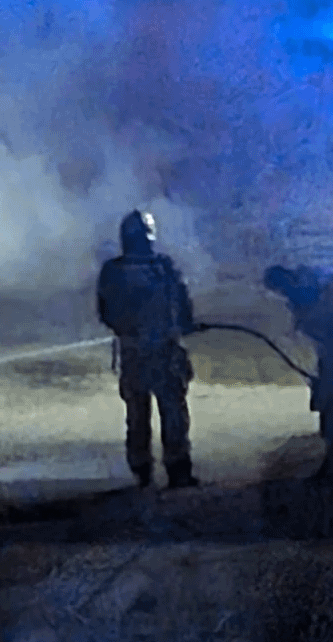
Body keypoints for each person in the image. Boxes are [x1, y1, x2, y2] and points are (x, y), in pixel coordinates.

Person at [97, 209, 200, 489]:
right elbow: (183, 304)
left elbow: (106, 312)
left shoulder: (113, 271)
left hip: (137, 354)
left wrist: (128, 330)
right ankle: (177, 470)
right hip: (163, 353)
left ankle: (143, 471)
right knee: (172, 412)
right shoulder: (164, 268)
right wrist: (184, 325)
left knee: (138, 414)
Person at [263, 264, 333, 491]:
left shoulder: (324, 295)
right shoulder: (314, 289)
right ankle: (332, 471)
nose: (282, 298)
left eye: (281, 291)